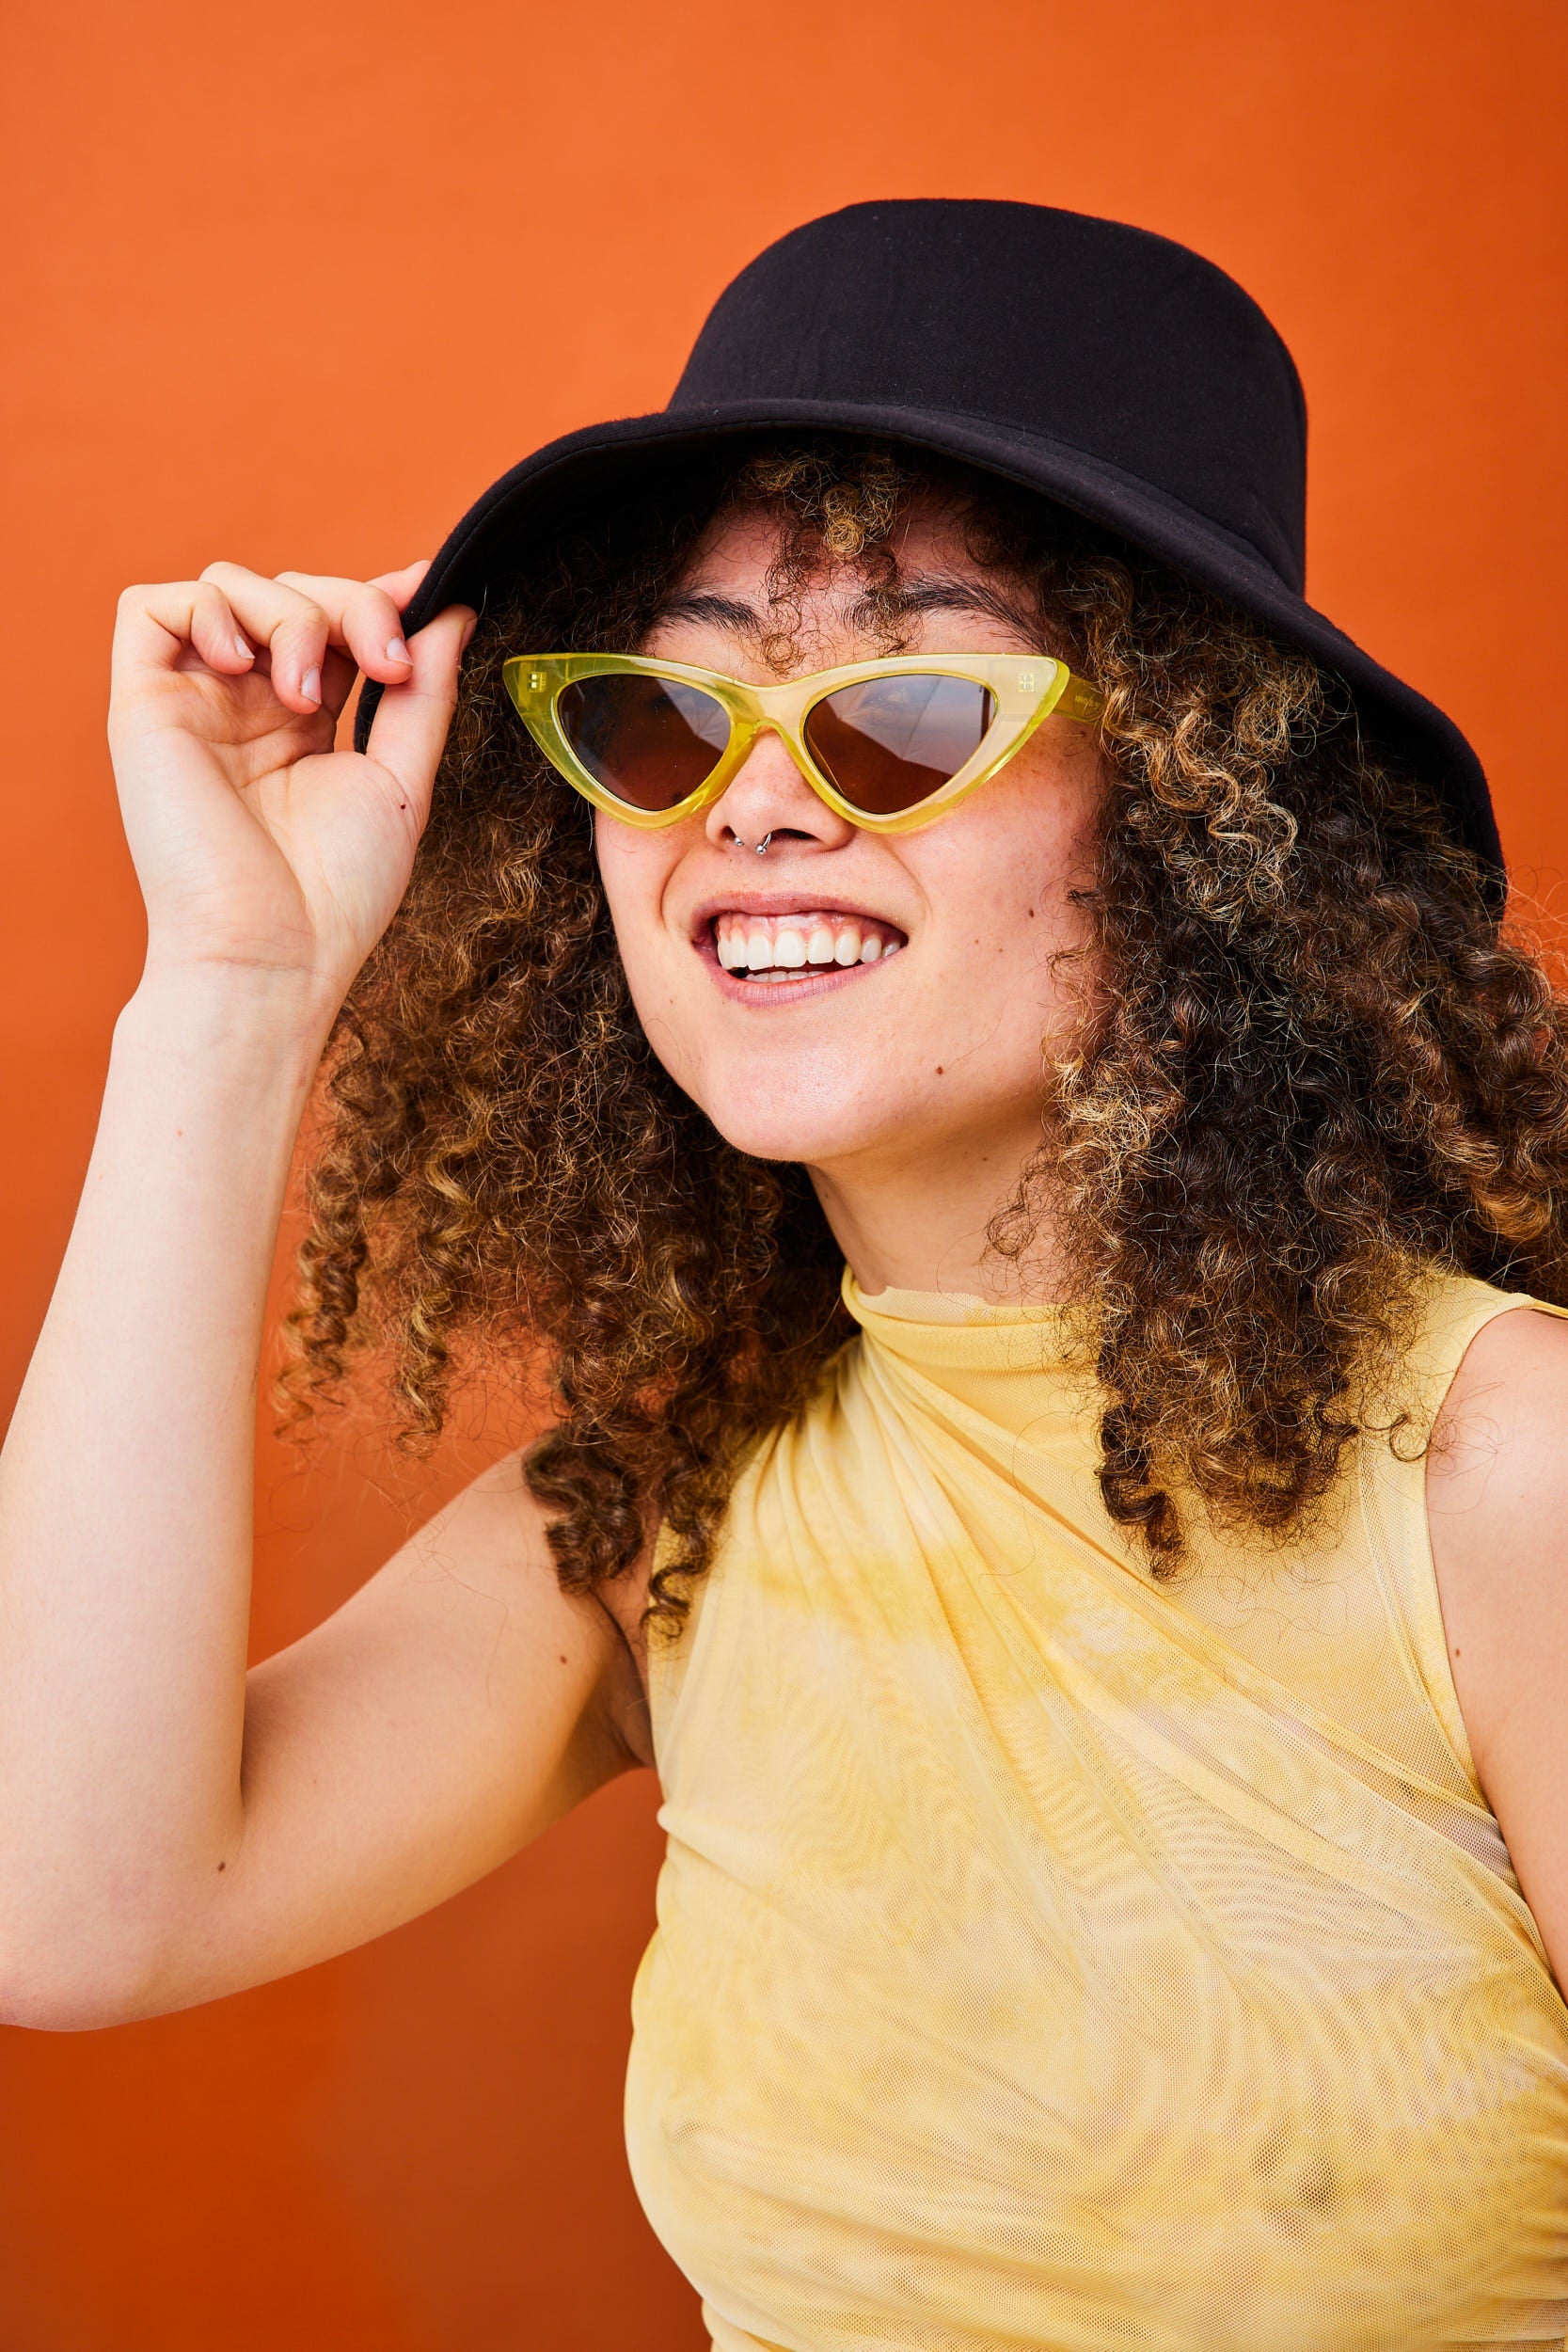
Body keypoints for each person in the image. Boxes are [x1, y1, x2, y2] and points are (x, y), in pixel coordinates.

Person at [2, 198, 1567, 2350]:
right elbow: (65, 1904)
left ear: (1206, 811)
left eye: (907, 707)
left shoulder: (1510, 1474)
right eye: (669, 719)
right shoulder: (668, 1512)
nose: (753, 805)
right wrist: (231, 990)